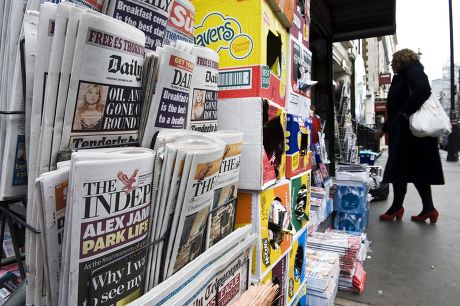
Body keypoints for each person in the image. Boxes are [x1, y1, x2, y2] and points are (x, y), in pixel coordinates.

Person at [375, 48, 444, 224]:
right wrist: (385, 127)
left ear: (401, 60)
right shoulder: (405, 74)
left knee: (399, 170)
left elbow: (424, 90)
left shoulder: (412, 70)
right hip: (408, 133)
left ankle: (397, 207)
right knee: (415, 172)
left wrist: (405, 113)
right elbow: (394, 107)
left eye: (393, 61)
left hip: (410, 134)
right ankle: (428, 209)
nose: (391, 65)